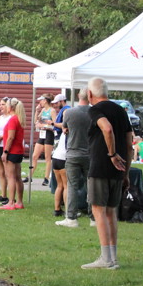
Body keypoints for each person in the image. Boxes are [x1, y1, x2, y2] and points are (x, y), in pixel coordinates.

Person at [81, 77, 131, 270]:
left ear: (90, 94)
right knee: (111, 212)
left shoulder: (95, 110)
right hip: (119, 169)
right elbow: (129, 144)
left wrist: (111, 154)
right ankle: (113, 257)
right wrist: (126, 172)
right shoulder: (121, 111)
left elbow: (107, 128)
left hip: (101, 166)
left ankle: (105, 258)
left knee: (98, 210)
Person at [57, 91, 92, 227]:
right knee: (91, 186)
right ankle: (94, 218)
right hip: (89, 154)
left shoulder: (70, 112)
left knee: (72, 186)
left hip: (73, 153)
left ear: (78, 96)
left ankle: (71, 218)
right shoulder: (94, 113)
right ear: (90, 96)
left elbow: (64, 128)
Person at [0, 97, 26, 210]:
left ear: (11, 107)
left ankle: (11, 202)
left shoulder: (12, 120)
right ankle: (19, 202)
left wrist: (5, 152)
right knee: (18, 177)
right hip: (19, 151)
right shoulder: (19, 119)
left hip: (12, 151)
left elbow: (10, 137)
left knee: (11, 177)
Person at [32, 94, 55, 186]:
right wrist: (37, 111)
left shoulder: (52, 110)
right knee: (34, 156)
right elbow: (36, 121)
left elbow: (54, 125)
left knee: (47, 157)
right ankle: (30, 176)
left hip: (49, 134)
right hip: (42, 134)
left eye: (41, 100)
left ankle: (46, 178)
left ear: (45, 100)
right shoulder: (42, 110)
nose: (40, 102)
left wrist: (44, 125)